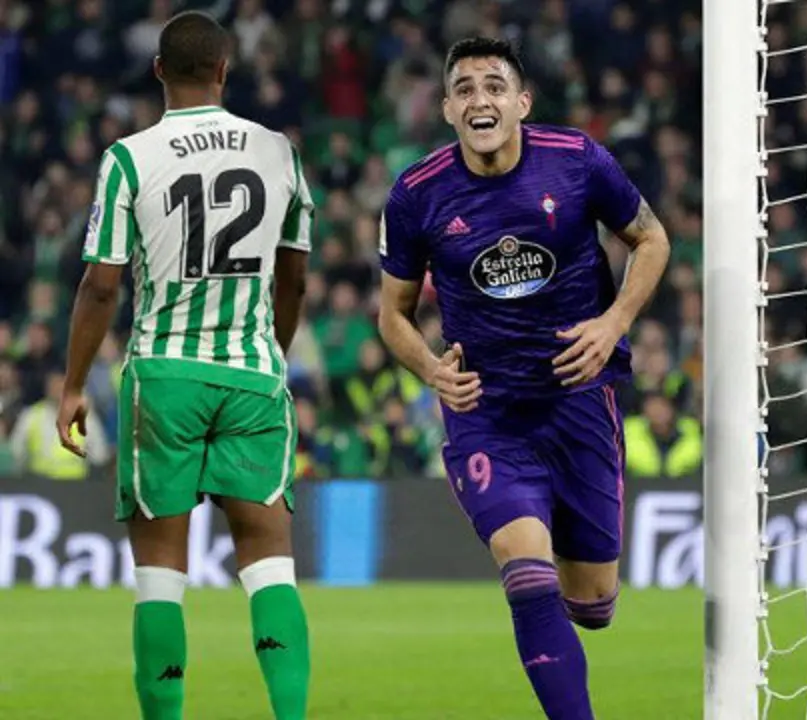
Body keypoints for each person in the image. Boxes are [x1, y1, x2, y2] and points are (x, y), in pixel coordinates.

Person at [377, 37, 670, 719]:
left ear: (522, 102)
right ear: (448, 109)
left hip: (578, 403)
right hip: (487, 412)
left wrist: (614, 322)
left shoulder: (577, 162)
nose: (481, 99)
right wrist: (430, 369)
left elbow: (651, 239)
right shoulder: (416, 194)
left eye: (494, 86)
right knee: (527, 574)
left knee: (592, 605)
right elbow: (391, 314)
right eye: (466, 90)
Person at [55, 11, 312, 720]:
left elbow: (102, 283)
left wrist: (74, 383)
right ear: (226, 71)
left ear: (159, 70)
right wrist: (270, 355)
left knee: (160, 578)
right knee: (270, 568)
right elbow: (293, 278)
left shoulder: (130, 157)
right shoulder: (278, 153)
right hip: (254, 374)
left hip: (164, 374)